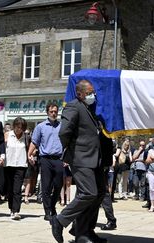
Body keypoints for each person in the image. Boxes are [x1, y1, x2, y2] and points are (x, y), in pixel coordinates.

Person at [50, 79, 112, 243]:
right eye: (90, 92)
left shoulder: (89, 108)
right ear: (80, 94)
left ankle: (84, 231)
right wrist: (70, 152)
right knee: (88, 193)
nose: (93, 95)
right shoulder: (73, 106)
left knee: (99, 194)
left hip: (94, 159)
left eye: (93, 92)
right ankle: (60, 220)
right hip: (81, 158)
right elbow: (64, 132)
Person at [28, 102, 64, 221]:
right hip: (45, 159)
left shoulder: (62, 126)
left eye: (55, 112)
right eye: (51, 112)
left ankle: (52, 207)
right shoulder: (40, 126)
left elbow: (67, 142)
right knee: (46, 186)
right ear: (47, 112)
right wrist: (29, 154)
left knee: (58, 185)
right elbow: (34, 142)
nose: (53, 114)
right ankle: (48, 211)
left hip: (58, 159)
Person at [4, 117, 29, 220]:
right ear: (14, 126)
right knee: (10, 189)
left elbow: (29, 149)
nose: (20, 129)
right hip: (8, 164)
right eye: (18, 127)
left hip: (21, 165)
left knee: (17, 189)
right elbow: (2, 148)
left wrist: (30, 157)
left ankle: (16, 211)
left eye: (22, 128)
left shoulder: (26, 137)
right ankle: (11, 208)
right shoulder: (7, 135)